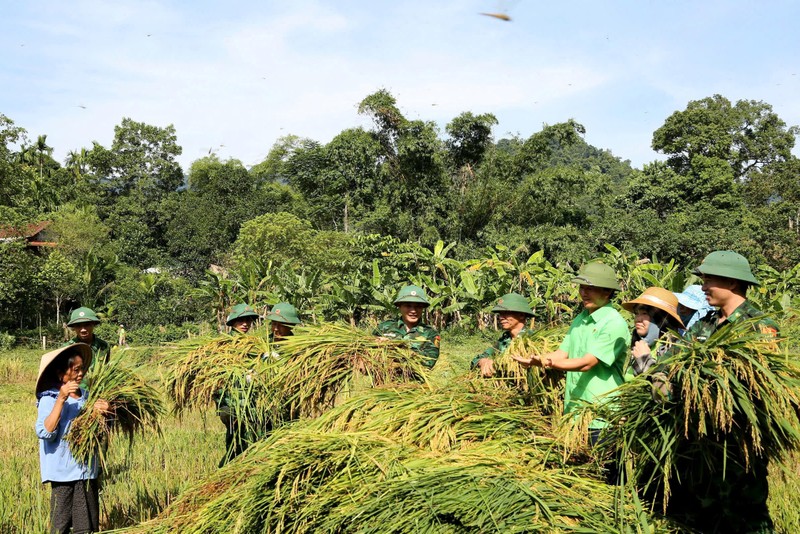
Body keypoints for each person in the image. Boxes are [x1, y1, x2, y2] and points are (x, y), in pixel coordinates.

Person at [658, 250, 778, 533]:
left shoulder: (758, 326)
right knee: (705, 515)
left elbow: (760, 383)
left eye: (709, 280)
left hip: (739, 443)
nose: (703, 287)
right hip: (703, 439)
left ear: (733, 283)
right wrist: (663, 375)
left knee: (746, 515)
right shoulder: (705, 323)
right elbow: (677, 358)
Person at [512, 262, 629, 445]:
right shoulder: (580, 318)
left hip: (602, 414)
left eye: (590, 288)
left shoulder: (614, 323)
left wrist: (548, 363)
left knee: (601, 470)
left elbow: (586, 363)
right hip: (574, 411)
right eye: (582, 287)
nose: (583, 293)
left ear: (607, 292)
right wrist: (539, 359)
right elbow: (562, 353)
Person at [35, 344, 110, 534]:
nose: (80, 374)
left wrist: (104, 413)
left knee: (87, 527)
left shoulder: (87, 398)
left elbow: (98, 432)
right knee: (60, 526)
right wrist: (61, 398)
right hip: (62, 475)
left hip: (85, 471)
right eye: (75, 370)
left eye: (82, 369)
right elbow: (45, 431)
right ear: (61, 374)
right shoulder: (49, 399)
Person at [217, 303, 261, 466]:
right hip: (232, 404)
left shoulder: (251, 342)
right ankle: (223, 473)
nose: (245, 324)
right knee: (237, 444)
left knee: (243, 442)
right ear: (233, 322)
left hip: (246, 403)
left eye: (248, 320)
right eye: (241, 320)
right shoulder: (228, 344)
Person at [620, 287, 683, 378]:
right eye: (637, 313)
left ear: (660, 320)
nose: (638, 319)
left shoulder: (671, 349)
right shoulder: (639, 345)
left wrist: (644, 359)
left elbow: (662, 384)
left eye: (644, 314)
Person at [373, 285, 440, 368]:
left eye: (418, 306)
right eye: (408, 306)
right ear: (399, 306)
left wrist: (395, 348)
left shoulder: (430, 333)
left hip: (414, 380)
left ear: (423, 308)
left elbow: (429, 362)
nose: (413, 311)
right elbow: (366, 356)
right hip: (384, 379)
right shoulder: (383, 328)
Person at [471, 292, 534, 377]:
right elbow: (477, 359)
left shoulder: (533, 339)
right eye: (500, 314)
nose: (501, 317)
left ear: (521, 315)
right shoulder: (503, 341)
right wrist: (483, 361)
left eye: (506, 313)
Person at [65, 307, 111, 388]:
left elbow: (106, 369)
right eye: (78, 326)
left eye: (87, 325)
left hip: (99, 391)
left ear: (93, 324)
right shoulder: (67, 348)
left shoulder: (104, 346)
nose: (83, 330)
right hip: (76, 393)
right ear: (74, 327)